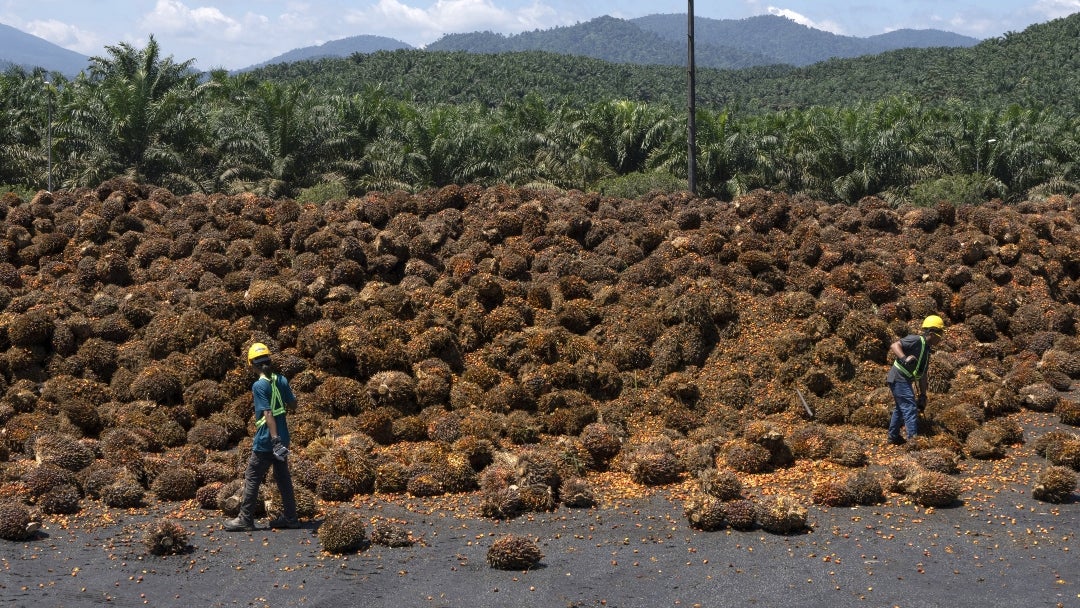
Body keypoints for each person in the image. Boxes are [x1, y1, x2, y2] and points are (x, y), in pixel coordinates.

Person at [224, 343, 301, 531]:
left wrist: (273, 440)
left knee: (252, 477)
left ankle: (245, 519)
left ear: (251, 364)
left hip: (268, 440)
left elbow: (267, 414)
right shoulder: (281, 380)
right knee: (283, 478)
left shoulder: (259, 385)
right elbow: (293, 405)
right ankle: (291, 518)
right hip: (283, 438)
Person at [885, 315, 945, 446]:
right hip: (898, 378)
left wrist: (923, 395)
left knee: (901, 409)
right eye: (940, 333)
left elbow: (922, 375)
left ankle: (893, 437)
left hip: (903, 380)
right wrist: (904, 358)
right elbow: (894, 345)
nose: (941, 338)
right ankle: (913, 442)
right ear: (932, 333)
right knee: (910, 408)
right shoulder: (916, 340)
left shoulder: (927, 351)